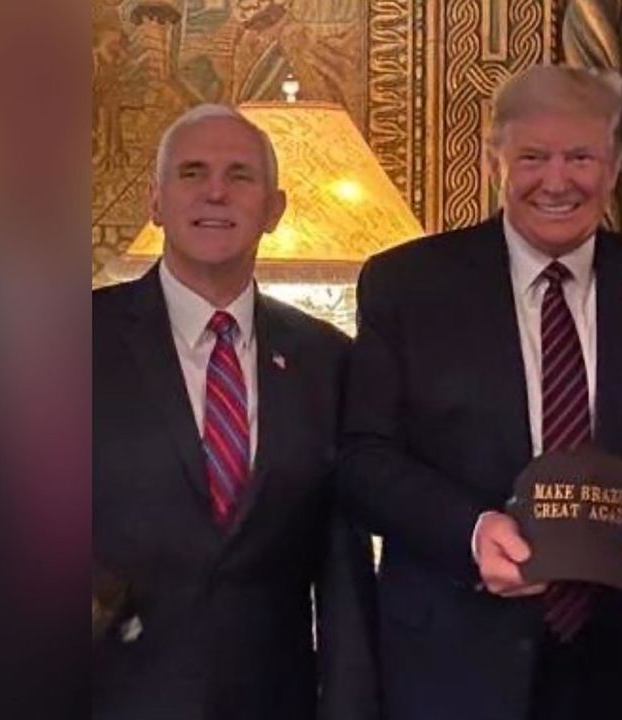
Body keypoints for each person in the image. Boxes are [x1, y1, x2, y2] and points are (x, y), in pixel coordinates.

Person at [337, 64, 622, 720]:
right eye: (533, 157)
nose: (557, 180)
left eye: (580, 156)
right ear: (496, 162)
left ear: (615, 165)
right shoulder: (407, 286)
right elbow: (363, 459)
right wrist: (471, 531)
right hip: (455, 656)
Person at [92, 104, 378, 720]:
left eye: (240, 175)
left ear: (274, 209)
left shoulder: (329, 360)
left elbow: (342, 567)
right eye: (192, 172)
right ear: (155, 201)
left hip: (274, 698)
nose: (216, 191)